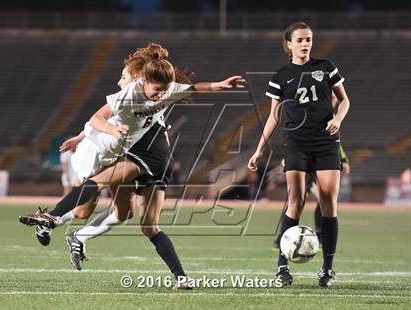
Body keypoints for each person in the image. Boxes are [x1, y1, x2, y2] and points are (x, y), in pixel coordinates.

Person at [19, 43, 246, 287]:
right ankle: (51, 216)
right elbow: (97, 118)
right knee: (97, 185)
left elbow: (195, 88)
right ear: (143, 81)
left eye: (164, 90)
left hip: (152, 160)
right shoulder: (127, 95)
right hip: (124, 152)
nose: (161, 95)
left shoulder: (165, 89)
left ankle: (181, 278)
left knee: (148, 225)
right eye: (156, 90)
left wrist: (220, 85)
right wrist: (110, 130)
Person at [248, 22, 350, 287]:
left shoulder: (326, 67)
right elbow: (273, 116)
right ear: (289, 44)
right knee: (297, 201)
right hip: (295, 142)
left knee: (329, 200)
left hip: (326, 141)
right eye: (301, 40)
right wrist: (259, 150)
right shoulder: (281, 76)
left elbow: (346, 100)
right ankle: (282, 266)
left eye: (309, 39)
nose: (306, 44)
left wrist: (338, 118)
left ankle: (327, 269)